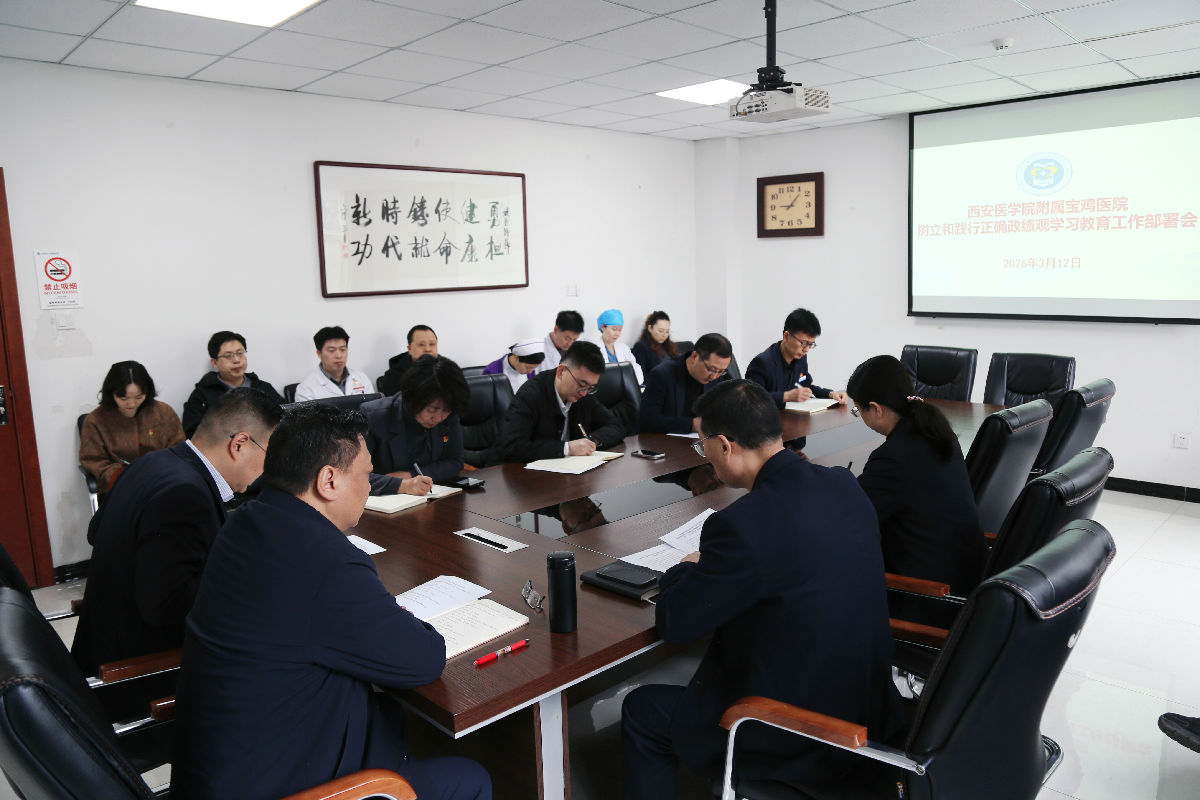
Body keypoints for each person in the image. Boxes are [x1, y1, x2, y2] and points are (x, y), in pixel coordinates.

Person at [170, 403, 491, 800]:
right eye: (365, 474)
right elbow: (424, 658)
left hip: (220, 768)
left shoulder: (245, 523)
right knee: (470, 777)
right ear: (328, 480)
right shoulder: (327, 562)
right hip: (283, 783)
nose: (369, 486)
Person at [621, 381, 899, 798]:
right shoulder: (843, 484)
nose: (705, 455)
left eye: (702, 446)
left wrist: (684, 568)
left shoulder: (740, 525)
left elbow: (676, 624)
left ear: (724, 445)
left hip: (801, 731)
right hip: (869, 707)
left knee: (642, 711)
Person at [71, 388, 282, 681]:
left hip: (101, 647)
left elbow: (97, 532)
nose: (268, 469)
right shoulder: (185, 493)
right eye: (270, 454)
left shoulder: (151, 463)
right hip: (140, 674)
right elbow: (166, 605)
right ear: (240, 444)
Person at [846, 355, 986, 595]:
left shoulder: (893, 457)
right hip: (967, 582)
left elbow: (851, 518)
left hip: (928, 595)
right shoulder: (938, 434)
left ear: (876, 409)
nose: (860, 417)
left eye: (858, 411)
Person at [496, 340, 624, 462]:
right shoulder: (530, 395)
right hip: (532, 473)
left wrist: (592, 441)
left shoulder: (585, 395)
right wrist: (567, 448)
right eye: (582, 385)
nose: (584, 393)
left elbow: (616, 426)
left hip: (573, 470)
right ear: (561, 372)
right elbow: (511, 447)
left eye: (591, 387)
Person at [362, 355, 468, 496]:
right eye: (432, 409)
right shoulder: (374, 417)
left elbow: (455, 462)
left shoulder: (449, 414)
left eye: (446, 410)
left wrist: (410, 475)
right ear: (413, 398)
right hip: (384, 501)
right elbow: (353, 477)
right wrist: (402, 485)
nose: (438, 418)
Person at [746, 307, 848, 451]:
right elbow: (750, 401)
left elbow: (805, 385)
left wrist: (830, 394)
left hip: (793, 435)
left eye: (811, 344)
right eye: (803, 343)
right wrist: (787, 396)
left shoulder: (800, 358)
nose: (806, 349)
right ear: (787, 336)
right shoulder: (762, 363)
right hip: (766, 438)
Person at [78, 360, 185, 495]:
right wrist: (123, 475)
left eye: (139, 397)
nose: (132, 404)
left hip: (163, 480)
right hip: (121, 486)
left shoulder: (163, 412)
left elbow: (179, 448)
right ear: (111, 394)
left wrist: (163, 470)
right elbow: (93, 460)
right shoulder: (96, 420)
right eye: (123, 398)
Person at [181, 331, 284, 436]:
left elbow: (286, 419)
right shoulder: (202, 396)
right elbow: (194, 435)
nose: (236, 360)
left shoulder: (263, 388)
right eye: (228, 356)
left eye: (240, 353)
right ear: (214, 362)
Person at [637, 333, 732, 434]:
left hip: (699, 438)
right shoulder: (662, 374)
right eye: (711, 369)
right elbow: (647, 420)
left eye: (721, 371)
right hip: (664, 440)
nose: (714, 376)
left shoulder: (717, 376)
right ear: (694, 356)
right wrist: (692, 424)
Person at [294, 325, 375, 401]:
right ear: (319, 354)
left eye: (342, 349)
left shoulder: (362, 378)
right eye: (331, 350)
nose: (339, 355)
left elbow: (374, 408)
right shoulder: (306, 390)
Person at [379, 324, 439, 396]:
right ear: (410, 349)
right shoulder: (393, 376)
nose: (428, 349)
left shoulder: (446, 369)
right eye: (421, 345)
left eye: (432, 344)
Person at [593, 308, 643, 384]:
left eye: (620, 330)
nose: (617, 334)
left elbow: (636, 369)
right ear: (603, 327)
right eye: (614, 329)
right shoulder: (593, 348)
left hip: (625, 386)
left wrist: (631, 383)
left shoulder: (624, 348)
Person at [535, 310, 585, 375]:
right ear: (556, 329)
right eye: (567, 338)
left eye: (574, 339)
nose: (570, 344)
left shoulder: (579, 350)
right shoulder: (538, 350)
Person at [630, 311, 677, 375]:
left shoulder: (669, 346)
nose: (664, 335)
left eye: (667, 331)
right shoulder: (641, 347)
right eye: (661, 331)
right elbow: (641, 376)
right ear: (650, 328)